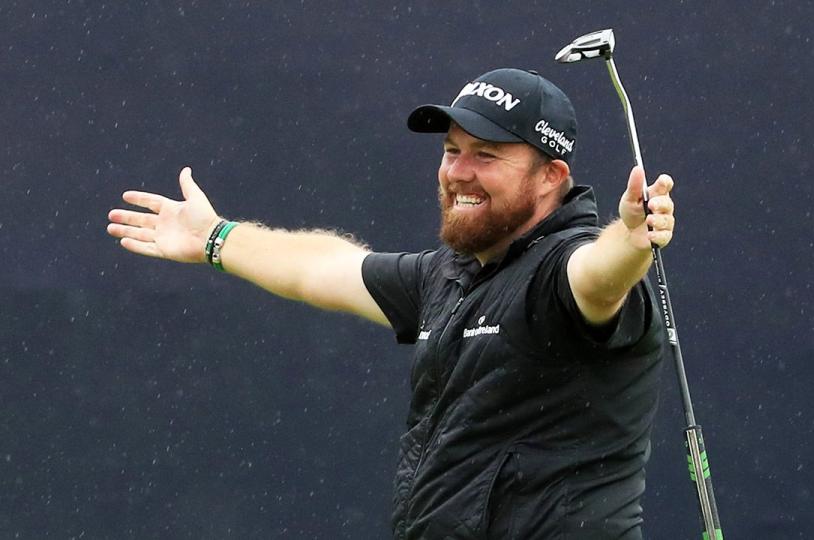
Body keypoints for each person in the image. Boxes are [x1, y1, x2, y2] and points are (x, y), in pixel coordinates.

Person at [107, 68, 675, 539]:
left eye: (486, 155)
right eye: (452, 151)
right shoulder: (448, 276)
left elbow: (598, 279)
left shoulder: (560, 271)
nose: (458, 172)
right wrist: (216, 238)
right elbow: (319, 268)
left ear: (552, 176)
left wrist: (627, 243)